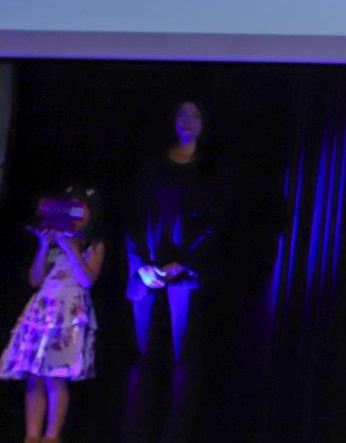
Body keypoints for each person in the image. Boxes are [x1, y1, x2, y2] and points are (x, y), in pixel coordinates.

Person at [122, 100, 228, 443]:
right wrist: (141, 266)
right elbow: (132, 219)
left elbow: (215, 226)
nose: (187, 119)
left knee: (184, 360)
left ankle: (174, 437)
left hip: (187, 277)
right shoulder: (151, 169)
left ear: (204, 123)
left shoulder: (210, 173)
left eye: (194, 114)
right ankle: (135, 435)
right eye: (182, 113)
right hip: (147, 274)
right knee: (143, 358)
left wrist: (183, 263)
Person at [0, 186, 104, 443]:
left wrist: (71, 249)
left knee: (55, 377)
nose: (76, 214)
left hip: (68, 313)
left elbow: (87, 280)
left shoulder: (93, 243)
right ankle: (31, 435)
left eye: (81, 209)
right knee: (35, 376)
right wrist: (43, 246)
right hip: (43, 309)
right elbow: (35, 280)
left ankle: (52, 436)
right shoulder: (54, 241)